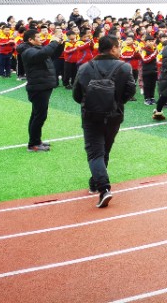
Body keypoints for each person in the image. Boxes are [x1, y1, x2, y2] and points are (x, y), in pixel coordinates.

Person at [72, 34, 136, 208]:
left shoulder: (85, 68)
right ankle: (97, 183)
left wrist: (91, 103)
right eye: (119, 46)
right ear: (113, 48)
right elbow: (130, 91)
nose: (120, 49)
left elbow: (77, 95)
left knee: (95, 153)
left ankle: (102, 187)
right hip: (114, 116)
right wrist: (116, 103)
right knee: (104, 150)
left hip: (91, 116)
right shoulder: (124, 67)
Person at [17, 28, 64, 152]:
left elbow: (52, 54)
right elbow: (43, 53)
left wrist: (60, 44)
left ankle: (36, 141)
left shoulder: (36, 49)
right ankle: (33, 144)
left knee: (37, 115)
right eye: (37, 37)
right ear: (30, 40)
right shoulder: (28, 51)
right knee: (39, 116)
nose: (40, 39)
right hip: (38, 87)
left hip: (42, 85)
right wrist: (53, 42)